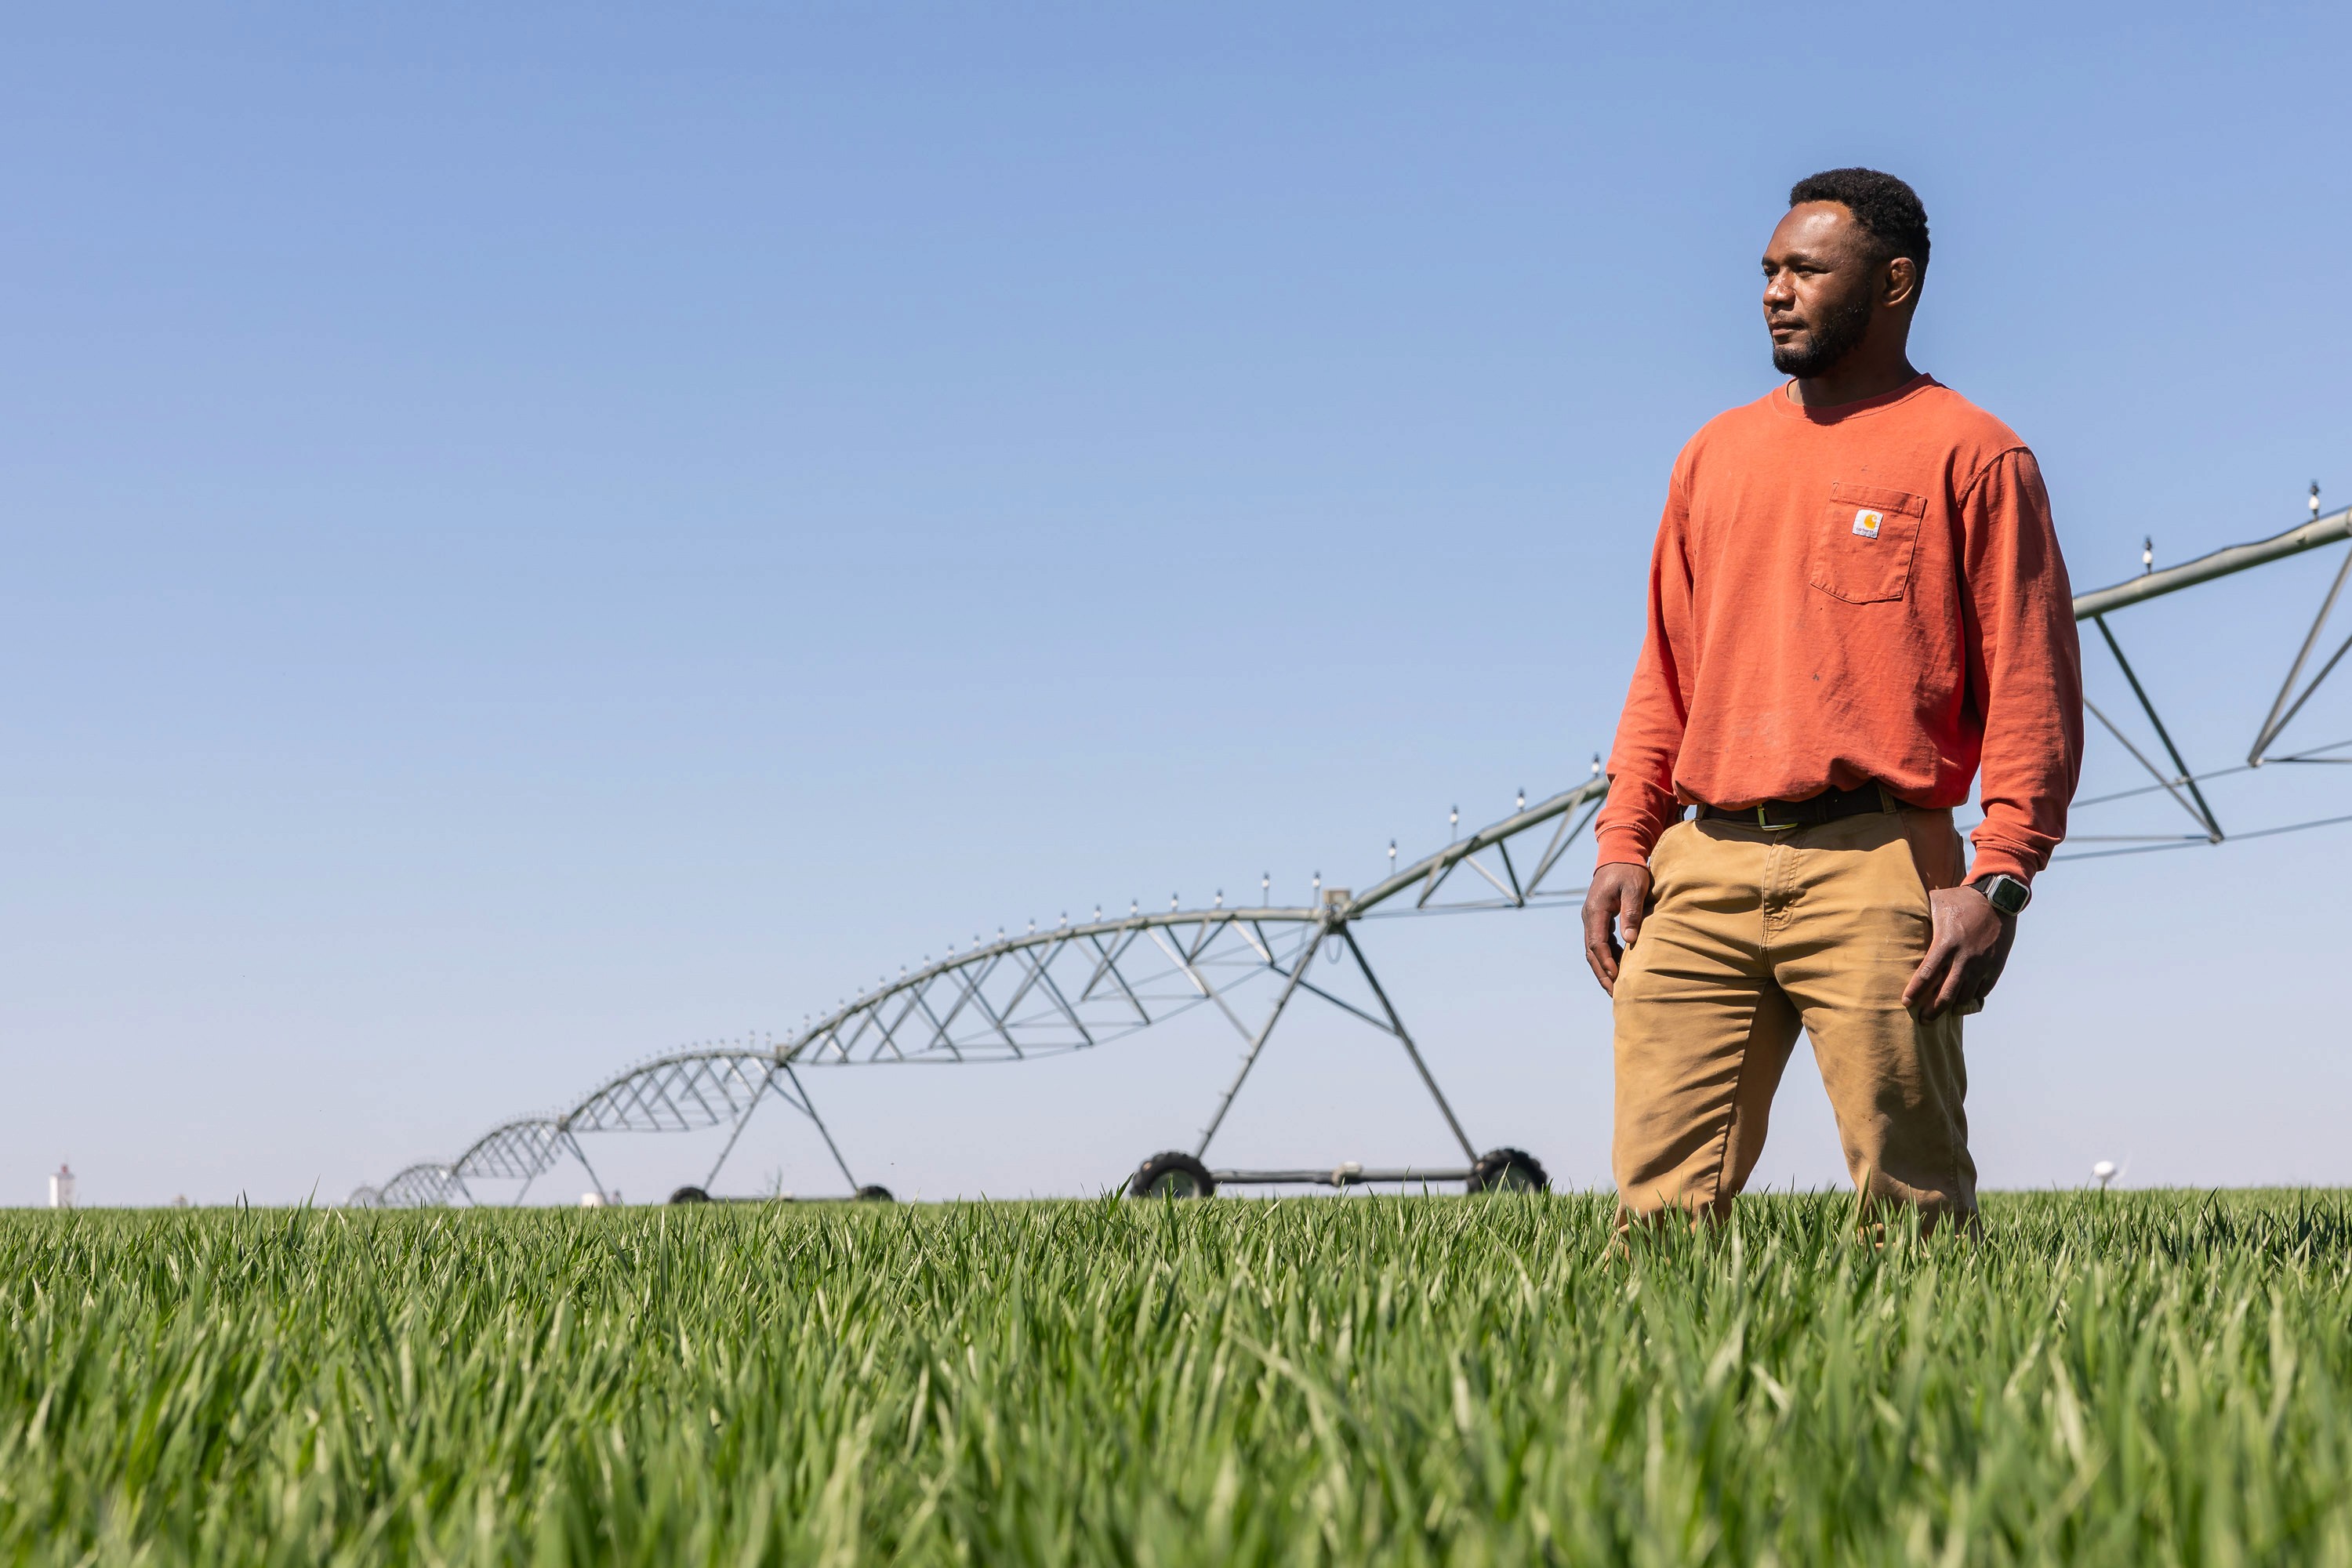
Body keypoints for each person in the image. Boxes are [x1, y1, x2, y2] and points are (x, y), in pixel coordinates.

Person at [1581, 169, 2083, 1232]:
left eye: (1806, 269)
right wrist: (1625, 842)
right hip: (1701, 868)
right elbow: (1666, 674)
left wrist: (1999, 881)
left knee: (1914, 1210)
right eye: (1768, 270)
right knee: (1654, 1217)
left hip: (1879, 864)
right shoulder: (1714, 455)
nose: (1774, 290)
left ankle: (1934, 1398)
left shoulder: (1975, 453)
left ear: (1894, 282)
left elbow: (2034, 692)